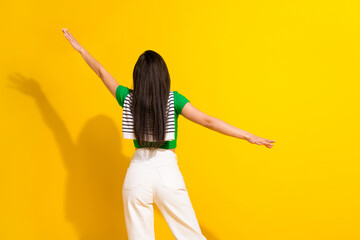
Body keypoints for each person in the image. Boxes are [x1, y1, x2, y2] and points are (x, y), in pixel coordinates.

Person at [62, 28, 276, 240]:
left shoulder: (128, 98)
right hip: (167, 173)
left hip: (136, 173)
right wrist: (248, 136)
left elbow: (101, 72)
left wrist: (81, 49)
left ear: (137, 76)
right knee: (191, 236)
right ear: (163, 76)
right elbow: (208, 121)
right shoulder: (174, 100)